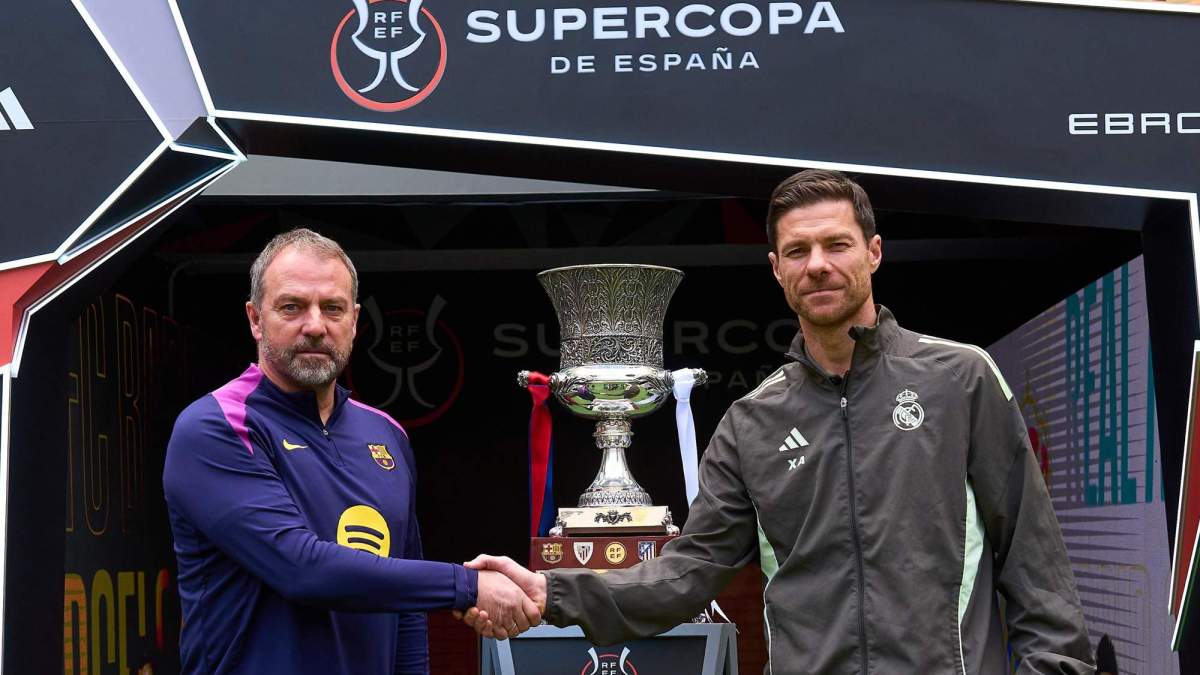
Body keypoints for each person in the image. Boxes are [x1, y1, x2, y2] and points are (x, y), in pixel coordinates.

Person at [460, 170, 1095, 674]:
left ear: (873, 253)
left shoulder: (962, 379)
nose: (818, 263)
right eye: (798, 250)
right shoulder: (753, 422)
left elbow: (1034, 563)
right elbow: (686, 574)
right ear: (776, 269)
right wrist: (551, 593)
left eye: (836, 244)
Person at [163, 229, 539, 675]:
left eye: (333, 308)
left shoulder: (387, 434)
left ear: (356, 321)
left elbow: (405, 618)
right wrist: (468, 586)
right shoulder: (215, 427)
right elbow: (300, 568)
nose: (315, 325)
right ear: (255, 318)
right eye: (292, 307)